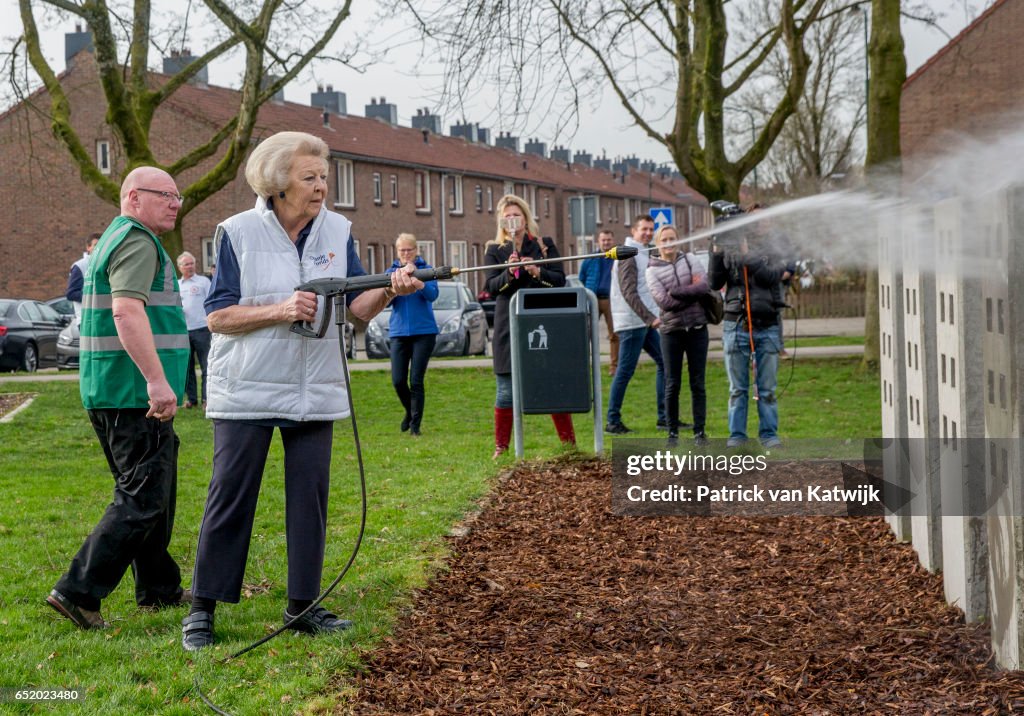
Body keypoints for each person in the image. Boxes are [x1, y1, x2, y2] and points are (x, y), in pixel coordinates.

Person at [182, 131, 422, 651]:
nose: (320, 187)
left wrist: (388, 288)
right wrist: (282, 309)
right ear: (277, 180)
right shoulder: (237, 232)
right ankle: (202, 608)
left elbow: (356, 309)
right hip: (246, 386)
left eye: (323, 178)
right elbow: (218, 315)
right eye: (309, 177)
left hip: (316, 386)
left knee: (309, 500)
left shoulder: (338, 229)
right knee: (230, 497)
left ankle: (302, 606)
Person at [46, 167, 191, 631]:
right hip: (132, 393)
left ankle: (159, 587)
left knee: (153, 488)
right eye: (164, 195)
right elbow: (126, 311)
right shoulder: (137, 242)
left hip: (108, 389)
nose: (175, 203)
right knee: (143, 496)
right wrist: (157, 380)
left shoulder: (115, 236)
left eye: (177, 195)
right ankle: (78, 592)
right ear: (134, 197)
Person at [484, 194, 573, 459]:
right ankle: (501, 447)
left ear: (525, 217)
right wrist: (509, 273)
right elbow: (490, 287)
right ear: (501, 221)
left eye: (517, 215)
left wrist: (537, 272)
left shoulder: (544, 245)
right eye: (507, 216)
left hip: (542, 322)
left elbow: (559, 280)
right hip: (507, 326)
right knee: (506, 389)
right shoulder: (494, 249)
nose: (513, 220)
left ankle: (568, 444)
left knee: (551, 383)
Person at [707, 208, 792, 449]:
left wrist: (746, 254)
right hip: (735, 324)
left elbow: (771, 275)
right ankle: (737, 435)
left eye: (764, 217)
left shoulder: (777, 246)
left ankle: (768, 434)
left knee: (767, 388)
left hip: (767, 325)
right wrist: (717, 251)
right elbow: (714, 283)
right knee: (737, 389)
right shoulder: (731, 245)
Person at [646, 225, 710, 448]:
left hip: (697, 329)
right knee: (672, 383)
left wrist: (678, 292)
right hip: (671, 332)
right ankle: (672, 432)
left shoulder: (690, 259)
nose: (669, 243)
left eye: (672, 238)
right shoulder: (651, 270)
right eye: (664, 239)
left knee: (698, 382)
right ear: (658, 244)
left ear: (678, 240)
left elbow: (703, 286)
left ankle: (699, 431)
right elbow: (664, 302)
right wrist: (690, 293)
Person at [606, 214, 667, 434]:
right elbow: (629, 292)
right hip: (632, 323)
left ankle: (665, 418)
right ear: (633, 231)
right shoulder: (628, 254)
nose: (649, 233)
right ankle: (612, 420)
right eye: (644, 229)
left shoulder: (642, 252)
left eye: (651, 229)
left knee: (665, 363)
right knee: (624, 371)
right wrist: (650, 318)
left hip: (642, 322)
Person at [386, 233, 439, 435]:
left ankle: (415, 427)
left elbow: (433, 295)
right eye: (402, 250)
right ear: (397, 251)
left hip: (424, 332)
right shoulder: (391, 272)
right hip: (399, 332)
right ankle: (410, 411)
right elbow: (386, 301)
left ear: (416, 250)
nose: (406, 253)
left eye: (410, 250)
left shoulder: (426, 270)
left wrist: (418, 281)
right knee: (398, 380)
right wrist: (394, 288)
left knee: (415, 380)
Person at [577, 229, 619, 375]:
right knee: (586, 333)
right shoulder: (590, 258)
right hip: (593, 300)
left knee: (614, 334)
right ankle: (582, 364)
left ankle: (614, 366)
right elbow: (581, 277)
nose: (606, 242)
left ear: (613, 241)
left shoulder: (618, 258)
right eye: (603, 240)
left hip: (611, 300)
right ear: (598, 241)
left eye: (609, 239)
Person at [176, 251, 212, 408]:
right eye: (186, 264)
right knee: (187, 367)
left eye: (192, 263)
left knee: (206, 366)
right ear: (180, 267)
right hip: (184, 331)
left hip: (202, 329)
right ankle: (191, 399)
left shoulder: (204, 282)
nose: (190, 267)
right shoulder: (177, 285)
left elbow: (211, 301)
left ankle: (206, 399)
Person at [64, 234, 100, 322]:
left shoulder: (107, 264)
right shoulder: (80, 266)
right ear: (88, 247)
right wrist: (93, 298)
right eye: (96, 245)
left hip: (103, 318)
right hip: (86, 319)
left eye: (102, 245)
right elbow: (71, 294)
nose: (99, 248)